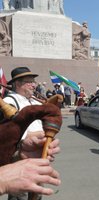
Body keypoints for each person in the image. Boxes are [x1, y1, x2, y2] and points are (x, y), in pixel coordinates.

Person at [3, 67, 44, 200]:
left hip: (38, 152)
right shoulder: (10, 102)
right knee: (20, 193)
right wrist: (36, 135)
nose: (34, 85)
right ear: (18, 84)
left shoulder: (33, 100)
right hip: (21, 153)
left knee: (36, 191)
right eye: (29, 82)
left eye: (34, 82)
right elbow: (10, 131)